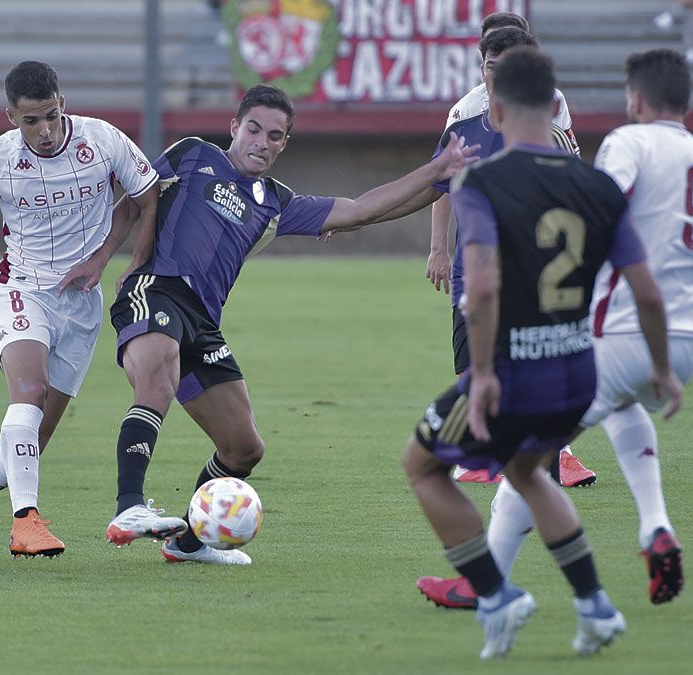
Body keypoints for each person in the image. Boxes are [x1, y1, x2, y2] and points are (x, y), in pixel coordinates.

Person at [417, 48, 693, 611]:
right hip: (689, 342)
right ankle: (655, 525)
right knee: (624, 407)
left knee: (528, 463)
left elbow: (588, 202)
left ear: (635, 98)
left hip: (624, 324)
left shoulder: (627, 145)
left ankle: (482, 587)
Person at [102, 84, 479, 565]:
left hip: (203, 320)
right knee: (157, 378)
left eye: (274, 136)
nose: (261, 142)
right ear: (235, 127)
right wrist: (105, 264)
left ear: (284, 144)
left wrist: (437, 174)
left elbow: (363, 208)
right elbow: (136, 201)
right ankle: (129, 507)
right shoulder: (192, 155)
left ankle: (189, 544)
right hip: (157, 289)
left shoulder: (276, 203)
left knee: (243, 449)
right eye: (254, 129)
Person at [402, 47, 681, 660]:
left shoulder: (484, 182)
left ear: (494, 110)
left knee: (421, 465)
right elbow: (647, 295)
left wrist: (480, 375)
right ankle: (595, 607)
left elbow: (481, 287)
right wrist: (660, 369)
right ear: (556, 107)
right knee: (528, 471)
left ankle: (496, 594)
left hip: (511, 374)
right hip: (578, 375)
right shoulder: (596, 184)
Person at [0, 61, 161, 559]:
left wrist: (108, 260)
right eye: (30, 122)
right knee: (28, 391)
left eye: (50, 116)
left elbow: (147, 196)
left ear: (62, 103)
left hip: (82, 306)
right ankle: (26, 522)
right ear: (10, 118)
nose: (44, 132)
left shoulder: (104, 140)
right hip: (22, 289)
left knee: (31, 443)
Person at [428, 19, 595, 488]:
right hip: (474, 258)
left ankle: (555, 453)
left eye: (506, 64)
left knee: (532, 357)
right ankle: (487, 451)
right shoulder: (464, 115)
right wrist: (438, 247)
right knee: (472, 360)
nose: (494, 74)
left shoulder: (551, 106)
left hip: (531, 260)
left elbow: (568, 174)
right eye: (489, 65)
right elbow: (440, 183)